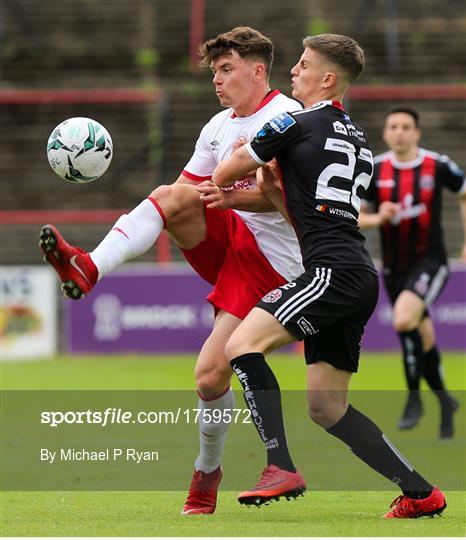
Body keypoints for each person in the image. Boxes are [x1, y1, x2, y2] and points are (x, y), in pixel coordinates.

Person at [39, 27, 304, 515]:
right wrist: (198, 202)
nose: (218, 81)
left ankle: (207, 472)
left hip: (273, 264)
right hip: (229, 245)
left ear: (258, 70)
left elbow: (296, 202)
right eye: (214, 73)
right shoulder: (218, 126)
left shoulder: (288, 117)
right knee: (169, 194)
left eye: (226, 70)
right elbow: (182, 196)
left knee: (208, 379)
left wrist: (229, 196)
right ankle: (89, 266)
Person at [212, 34, 447, 519]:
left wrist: (241, 152)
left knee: (240, 345)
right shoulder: (358, 139)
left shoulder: (292, 121)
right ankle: (421, 492)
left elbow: (223, 173)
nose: (292, 72)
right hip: (356, 272)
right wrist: (275, 194)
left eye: (302, 65)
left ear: (328, 79)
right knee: (326, 408)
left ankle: (280, 466)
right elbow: (312, 219)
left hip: (331, 273)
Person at [358, 106, 465, 438]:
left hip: (430, 263)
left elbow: (464, 193)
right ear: (386, 133)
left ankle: (413, 399)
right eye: (394, 126)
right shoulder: (375, 169)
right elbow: (356, 215)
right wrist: (380, 218)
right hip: (394, 267)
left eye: (406, 126)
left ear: (417, 132)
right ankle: (445, 402)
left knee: (404, 320)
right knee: (423, 337)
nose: (400, 131)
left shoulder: (437, 165)